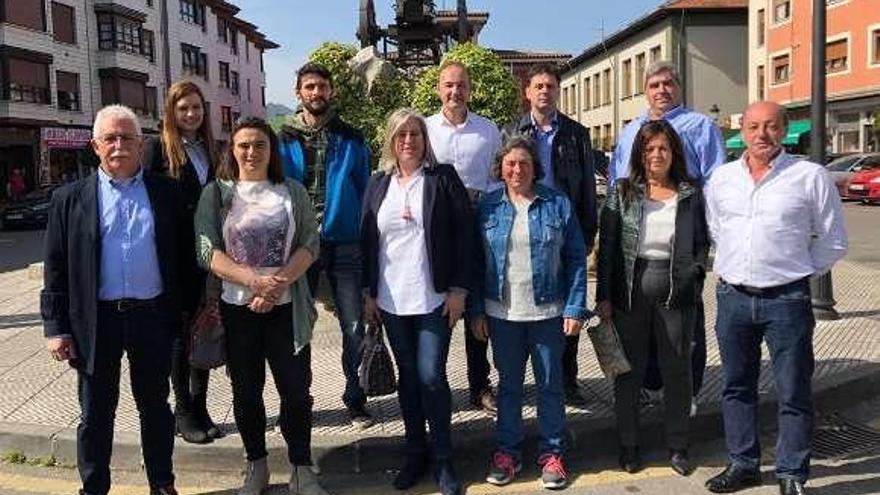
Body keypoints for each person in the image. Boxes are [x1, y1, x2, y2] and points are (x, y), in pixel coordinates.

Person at [41, 104, 189, 495]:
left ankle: (162, 482)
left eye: (127, 138)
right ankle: (93, 488)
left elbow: (184, 258)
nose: (119, 145)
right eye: (110, 138)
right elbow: (55, 267)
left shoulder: (167, 193)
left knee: (156, 408)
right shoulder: (68, 199)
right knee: (95, 413)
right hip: (95, 321)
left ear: (142, 145)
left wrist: (187, 315)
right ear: (95, 145)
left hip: (153, 318)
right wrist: (56, 328)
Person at [704, 102, 848, 495]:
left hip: (787, 301)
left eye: (770, 126)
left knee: (793, 388)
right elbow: (716, 229)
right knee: (736, 386)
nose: (761, 134)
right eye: (753, 126)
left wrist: (797, 273)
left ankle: (791, 472)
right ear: (742, 131)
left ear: (783, 130)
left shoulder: (809, 176)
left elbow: (834, 240)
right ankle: (743, 464)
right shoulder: (721, 179)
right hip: (733, 298)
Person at [194, 117, 328, 495]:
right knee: (247, 392)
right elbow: (206, 250)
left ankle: (301, 466)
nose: (251, 152)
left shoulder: (292, 192)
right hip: (237, 311)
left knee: (296, 390)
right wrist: (253, 281)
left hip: (287, 310)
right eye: (244, 145)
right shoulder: (218, 194)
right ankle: (256, 464)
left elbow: (309, 244)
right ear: (232, 150)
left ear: (272, 150)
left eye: (260, 145)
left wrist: (276, 284)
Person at [360, 108, 474, 495]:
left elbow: (465, 236)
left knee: (431, 376)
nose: (409, 141)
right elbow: (367, 241)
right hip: (391, 301)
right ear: (391, 141)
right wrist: (368, 293)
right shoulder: (378, 183)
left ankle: (443, 459)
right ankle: (415, 453)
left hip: (434, 299)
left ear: (425, 141)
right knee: (408, 380)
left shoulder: (442, 179)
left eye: (415, 134)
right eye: (401, 135)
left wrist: (459, 290)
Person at [470, 136, 588, 490]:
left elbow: (576, 258)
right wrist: (476, 310)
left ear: (535, 167)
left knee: (551, 387)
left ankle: (552, 454)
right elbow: (475, 263)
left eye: (524, 163)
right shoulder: (488, 207)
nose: (517, 169)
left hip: (548, 314)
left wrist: (574, 306)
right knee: (508, 388)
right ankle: (507, 453)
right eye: (510, 164)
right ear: (500, 169)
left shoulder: (557, 204)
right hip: (502, 315)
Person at [610, 61, 726, 414]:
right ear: (645, 90)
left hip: (682, 235)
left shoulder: (701, 126)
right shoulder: (632, 131)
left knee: (685, 319)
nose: (662, 90)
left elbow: (715, 184)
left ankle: (686, 390)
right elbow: (619, 181)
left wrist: (707, 241)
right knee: (639, 322)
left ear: (678, 87)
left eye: (668, 83)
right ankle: (647, 385)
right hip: (638, 237)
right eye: (654, 85)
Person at [596, 120, 710, 477]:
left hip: (676, 292)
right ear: (640, 155)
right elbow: (608, 248)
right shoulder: (623, 191)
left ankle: (677, 445)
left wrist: (695, 277)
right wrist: (604, 297)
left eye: (663, 148)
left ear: (673, 152)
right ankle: (628, 445)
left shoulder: (690, 193)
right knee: (628, 372)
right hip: (630, 290)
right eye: (649, 149)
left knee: (678, 370)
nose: (656, 155)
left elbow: (701, 243)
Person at [278, 62, 373, 428]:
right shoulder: (282, 138)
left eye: (322, 87)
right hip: (298, 243)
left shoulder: (351, 137)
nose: (316, 93)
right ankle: (299, 400)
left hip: (344, 243)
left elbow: (365, 192)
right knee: (297, 326)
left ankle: (355, 397)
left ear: (331, 91)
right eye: (310, 87)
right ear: (298, 92)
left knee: (352, 325)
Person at [504, 63, 598, 407]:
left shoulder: (576, 133)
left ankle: (567, 380)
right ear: (527, 92)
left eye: (550, 86)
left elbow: (587, 184)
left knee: (568, 305)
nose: (544, 91)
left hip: (562, 226)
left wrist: (587, 232)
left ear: (557, 91)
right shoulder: (512, 130)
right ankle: (521, 379)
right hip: (521, 225)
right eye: (538, 86)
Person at [143, 80, 221, 444]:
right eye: (183, 108)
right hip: (172, 257)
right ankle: (183, 409)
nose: (191, 114)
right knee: (179, 333)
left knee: (203, 327)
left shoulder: (211, 149)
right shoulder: (156, 149)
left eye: (197, 108)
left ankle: (201, 403)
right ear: (171, 113)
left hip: (205, 256)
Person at [426, 60, 502, 416]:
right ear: (439, 89)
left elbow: (498, 178)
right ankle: (436, 385)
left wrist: (484, 201)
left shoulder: (488, 131)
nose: (455, 92)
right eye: (448, 85)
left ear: (470, 89)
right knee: (440, 306)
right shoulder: (424, 130)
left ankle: (479, 385)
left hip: (479, 223)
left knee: (476, 307)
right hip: (438, 230)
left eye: (461, 85)